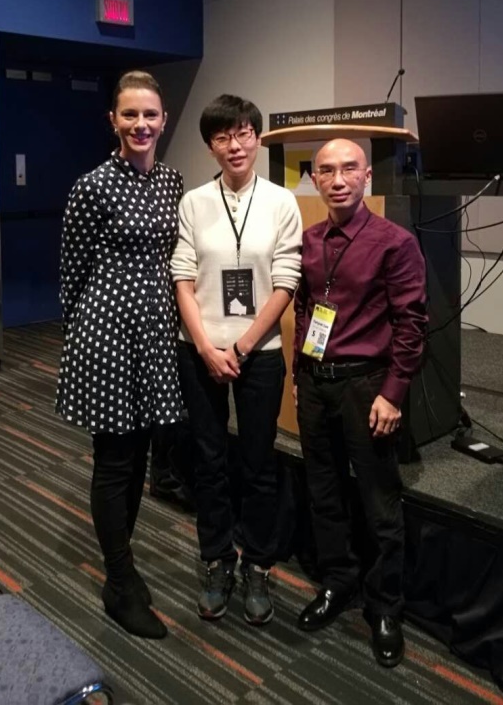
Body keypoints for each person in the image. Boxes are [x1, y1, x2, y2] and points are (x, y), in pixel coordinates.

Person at [56, 70, 184, 639]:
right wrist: (85, 338)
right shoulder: (93, 186)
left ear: (164, 119)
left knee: (139, 459)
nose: (140, 124)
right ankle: (118, 580)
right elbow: (71, 273)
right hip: (106, 334)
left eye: (150, 114)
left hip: (154, 334)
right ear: (113, 120)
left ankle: (124, 566)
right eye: (129, 114)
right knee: (114, 461)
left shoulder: (172, 182)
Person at [293, 138, 427, 667]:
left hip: (366, 387)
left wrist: (393, 393)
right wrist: (299, 373)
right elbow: (305, 309)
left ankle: (385, 607)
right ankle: (338, 581)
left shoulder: (395, 243)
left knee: (379, 501)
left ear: (367, 176)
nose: (338, 179)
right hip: (316, 383)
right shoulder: (310, 240)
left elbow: (411, 324)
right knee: (324, 493)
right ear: (315, 179)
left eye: (349, 169)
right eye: (327, 171)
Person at [171, 94, 302, 625]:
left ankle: (258, 565)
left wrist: (242, 346)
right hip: (199, 350)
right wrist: (206, 346)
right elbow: (182, 277)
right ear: (211, 146)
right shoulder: (194, 202)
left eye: (244, 133)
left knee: (258, 463)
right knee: (208, 461)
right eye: (223, 136)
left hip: (259, 352)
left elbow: (286, 280)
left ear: (258, 138)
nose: (235, 144)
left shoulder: (281, 202)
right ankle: (216, 559)